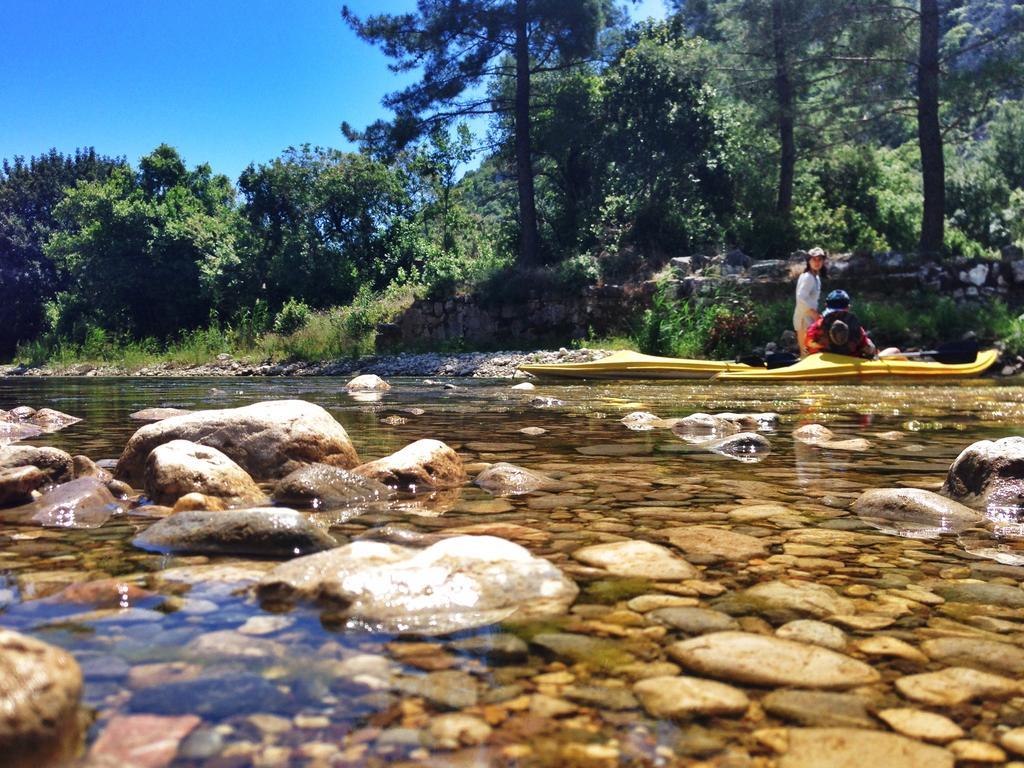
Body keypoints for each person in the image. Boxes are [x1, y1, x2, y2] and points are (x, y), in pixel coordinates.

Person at [805, 289, 878, 358]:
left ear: (826, 306)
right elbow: (867, 348)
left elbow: (808, 346)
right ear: (848, 307)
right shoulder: (857, 329)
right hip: (850, 362)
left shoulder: (816, 327)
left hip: (823, 363)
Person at [793, 247, 825, 357]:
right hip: (804, 319)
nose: (817, 262)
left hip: (809, 319)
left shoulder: (815, 277)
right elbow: (801, 297)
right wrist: (814, 314)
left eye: (819, 259)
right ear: (809, 261)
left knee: (811, 351)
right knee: (805, 352)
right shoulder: (808, 277)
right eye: (814, 259)